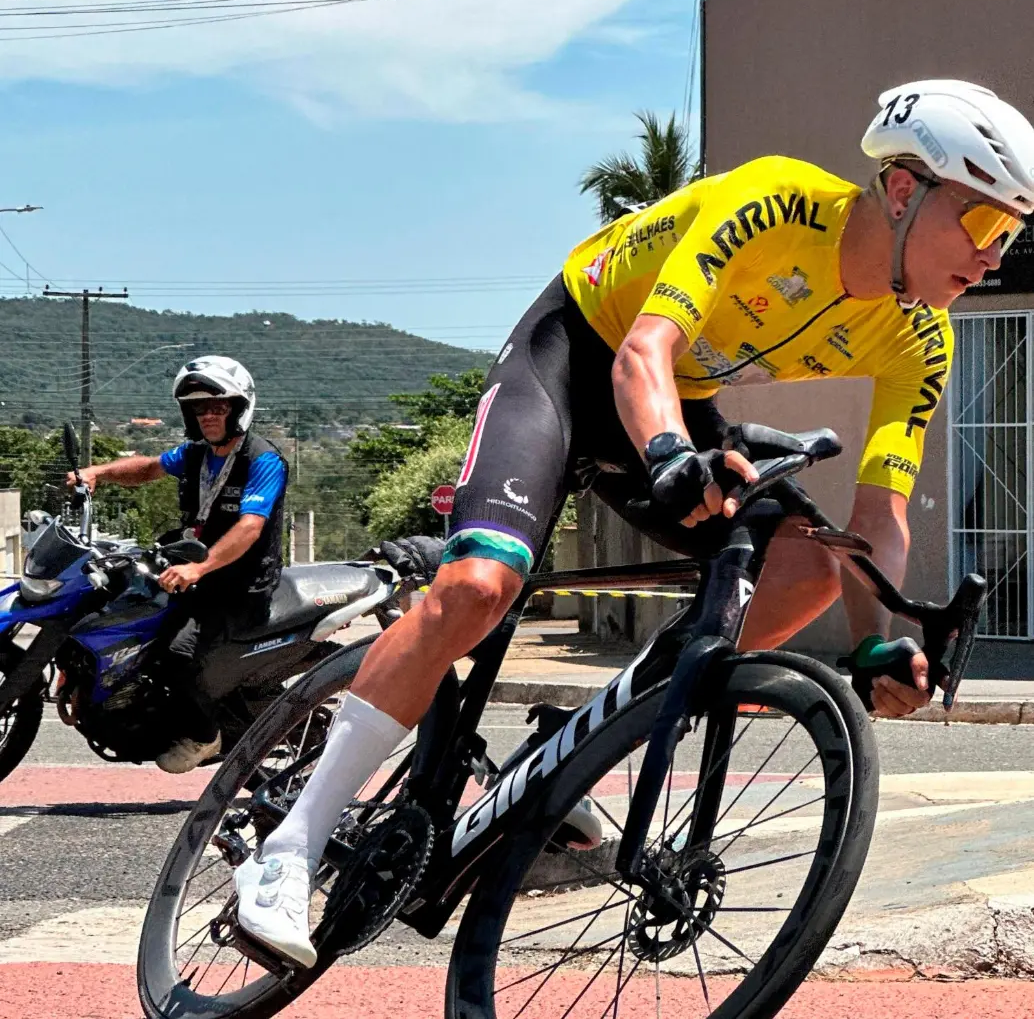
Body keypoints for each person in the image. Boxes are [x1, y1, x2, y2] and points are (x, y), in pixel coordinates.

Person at [235, 79, 1034, 967]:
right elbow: (643, 350)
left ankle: (589, 741)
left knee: (810, 565)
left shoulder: (923, 336)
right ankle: (289, 849)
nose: (993, 256)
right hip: (575, 355)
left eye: (1010, 233)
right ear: (900, 190)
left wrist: (880, 637)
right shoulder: (772, 202)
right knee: (479, 585)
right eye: (982, 223)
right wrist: (664, 456)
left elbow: (880, 513)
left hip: (676, 402)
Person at [67, 356, 288, 773]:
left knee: (176, 655)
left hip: (238, 587)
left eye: (218, 406)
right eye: (198, 408)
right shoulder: (197, 455)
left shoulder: (262, 460)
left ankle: (205, 736)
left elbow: (249, 528)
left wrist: (199, 569)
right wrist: (99, 472)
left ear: (240, 407)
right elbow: (148, 468)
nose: (207, 415)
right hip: (191, 576)